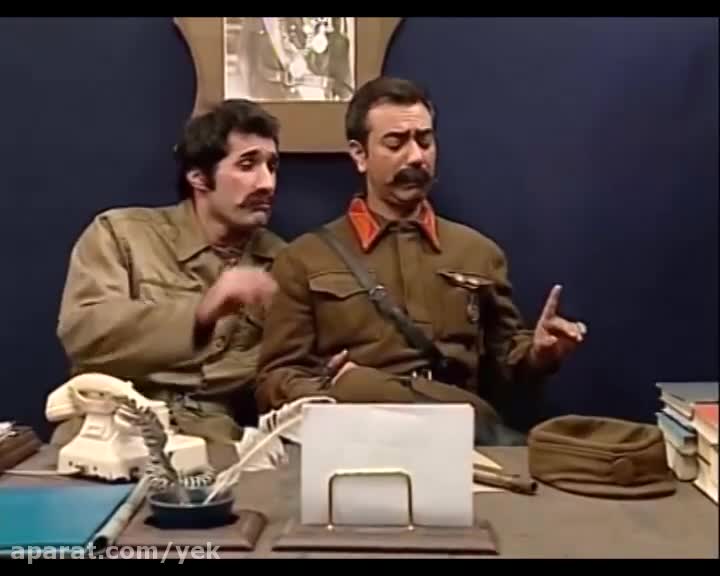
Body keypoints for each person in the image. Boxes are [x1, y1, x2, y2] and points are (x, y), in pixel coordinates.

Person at [254, 77, 587, 444]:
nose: (416, 157)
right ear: (360, 155)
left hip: (461, 442)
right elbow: (276, 379)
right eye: (395, 143)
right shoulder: (303, 259)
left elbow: (506, 370)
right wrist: (343, 392)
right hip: (354, 441)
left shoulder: (478, 254)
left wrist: (539, 354)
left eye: (424, 141)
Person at [53, 99, 286, 447]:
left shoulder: (281, 263)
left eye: (272, 166)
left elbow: (280, 366)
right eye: (247, 164)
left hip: (212, 438)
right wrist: (201, 313)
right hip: (109, 429)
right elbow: (85, 335)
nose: (267, 183)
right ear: (198, 177)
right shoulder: (121, 234)